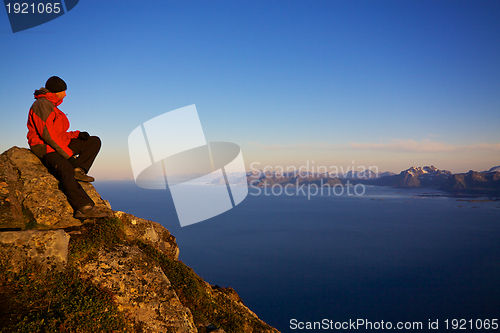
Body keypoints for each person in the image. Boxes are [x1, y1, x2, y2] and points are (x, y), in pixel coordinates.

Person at [27, 76, 107, 218]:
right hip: (44, 147)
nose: (65, 94)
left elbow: (59, 134)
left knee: (93, 141)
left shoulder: (52, 106)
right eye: (63, 91)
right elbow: (48, 136)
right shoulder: (42, 105)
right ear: (56, 91)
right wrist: (69, 156)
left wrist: (76, 134)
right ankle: (84, 207)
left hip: (56, 144)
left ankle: (79, 170)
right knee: (66, 170)